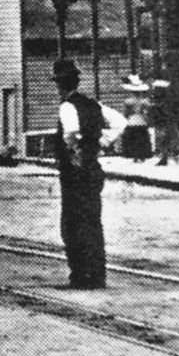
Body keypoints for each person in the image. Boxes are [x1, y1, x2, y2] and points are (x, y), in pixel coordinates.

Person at [52, 57, 126, 289]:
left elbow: (71, 131)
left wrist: (74, 149)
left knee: (72, 224)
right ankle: (97, 274)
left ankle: (80, 275)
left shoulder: (67, 106)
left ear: (60, 85)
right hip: (93, 170)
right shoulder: (94, 105)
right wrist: (101, 143)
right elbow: (120, 122)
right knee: (93, 222)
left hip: (74, 173)